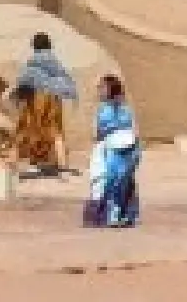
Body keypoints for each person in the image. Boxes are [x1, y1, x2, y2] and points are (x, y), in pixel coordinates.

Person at [12, 32, 79, 175]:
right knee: (55, 131)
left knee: (29, 129)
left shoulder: (33, 61)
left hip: (37, 98)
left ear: (35, 45)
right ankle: (63, 165)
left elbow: (25, 80)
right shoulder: (55, 61)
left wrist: (16, 96)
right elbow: (64, 79)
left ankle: (17, 164)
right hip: (54, 98)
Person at [83, 75, 140, 228]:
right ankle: (126, 215)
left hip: (110, 149)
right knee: (124, 182)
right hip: (129, 148)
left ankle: (107, 216)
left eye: (101, 87)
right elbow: (134, 131)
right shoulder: (126, 109)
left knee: (103, 181)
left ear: (109, 90)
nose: (98, 90)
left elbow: (97, 134)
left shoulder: (104, 111)